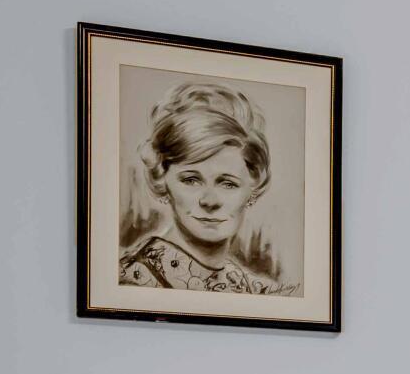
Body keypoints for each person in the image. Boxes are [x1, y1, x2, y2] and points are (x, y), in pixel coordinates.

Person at [119, 79, 287, 293]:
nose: (210, 201)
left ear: (253, 187)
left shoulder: (263, 292)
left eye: (228, 183)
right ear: (162, 180)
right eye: (191, 180)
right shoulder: (130, 282)